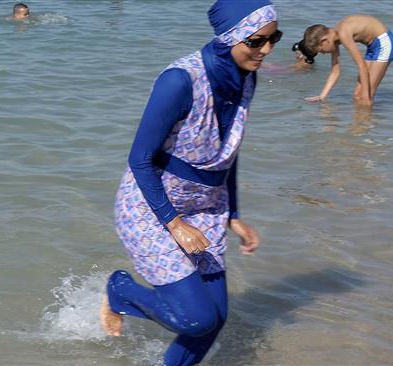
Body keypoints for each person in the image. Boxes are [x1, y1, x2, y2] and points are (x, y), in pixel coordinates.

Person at [99, 1, 280, 365]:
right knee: (196, 319)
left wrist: (233, 214)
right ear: (230, 37)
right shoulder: (179, 80)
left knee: (215, 318)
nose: (266, 50)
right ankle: (120, 290)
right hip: (151, 207)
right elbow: (140, 158)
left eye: (274, 39)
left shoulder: (245, 77)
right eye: (257, 41)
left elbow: (228, 149)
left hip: (206, 207)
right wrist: (174, 223)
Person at [301, 15, 393, 106]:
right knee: (357, 95)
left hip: (385, 42)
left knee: (366, 96)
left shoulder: (343, 33)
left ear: (324, 40)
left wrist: (366, 97)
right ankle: (361, 123)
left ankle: (365, 123)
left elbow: (361, 66)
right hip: (372, 46)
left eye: (321, 50)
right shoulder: (333, 38)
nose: (322, 53)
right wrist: (322, 96)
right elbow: (335, 72)